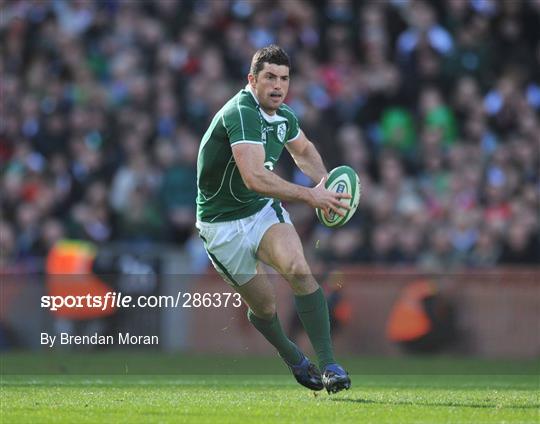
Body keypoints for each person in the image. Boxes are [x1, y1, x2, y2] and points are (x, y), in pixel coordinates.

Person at [196, 45, 351, 393]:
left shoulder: (284, 116)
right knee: (264, 306)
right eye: (269, 77)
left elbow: (304, 150)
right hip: (221, 226)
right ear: (252, 79)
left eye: (284, 78)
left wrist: (325, 183)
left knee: (298, 269)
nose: (278, 86)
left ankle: (329, 366)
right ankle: (292, 355)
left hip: (260, 210)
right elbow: (254, 176)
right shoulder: (241, 112)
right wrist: (312, 196)